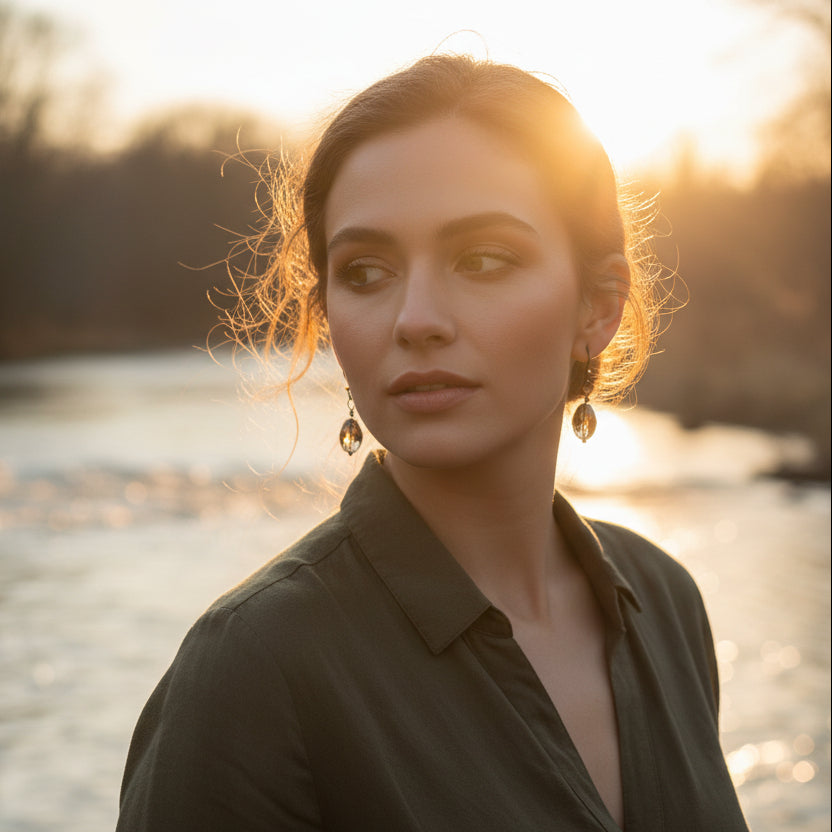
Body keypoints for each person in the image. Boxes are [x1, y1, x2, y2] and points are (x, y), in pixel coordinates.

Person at [116, 55, 749, 831]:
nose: (415, 317)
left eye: (482, 259)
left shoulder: (663, 602)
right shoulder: (255, 668)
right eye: (367, 271)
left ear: (598, 307)